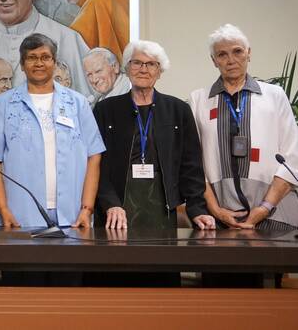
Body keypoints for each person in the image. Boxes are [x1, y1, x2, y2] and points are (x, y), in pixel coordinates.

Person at [0, 33, 105, 229]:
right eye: (32, 57)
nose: (39, 63)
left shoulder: (77, 103)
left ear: (54, 62)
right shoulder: (2, 105)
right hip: (19, 217)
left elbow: (94, 156)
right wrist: (4, 209)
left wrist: (86, 209)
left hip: (72, 217)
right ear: (22, 65)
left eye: (45, 57)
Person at [93, 40, 215, 231]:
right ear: (126, 68)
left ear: (160, 71)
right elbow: (96, 165)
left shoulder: (178, 110)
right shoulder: (105, 110)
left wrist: (197, 208)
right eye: (137, 63)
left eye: (151, 64)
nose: (144, 69)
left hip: (162, 208)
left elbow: (191, 165)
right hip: (116, 210)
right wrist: (110, 203)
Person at [190, 24, 298, 231]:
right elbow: (194, 165)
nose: (231, 60)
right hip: (221, 219)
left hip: (276, 212)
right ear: (213, 61)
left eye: (237, 51)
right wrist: (216, 210)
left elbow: (292, 156)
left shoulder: (274, 95)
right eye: (222, 54)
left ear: (249, 53)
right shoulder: (199, 100)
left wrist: (265, 207)